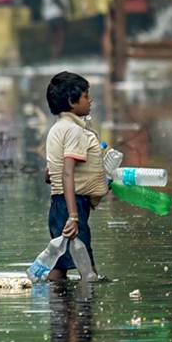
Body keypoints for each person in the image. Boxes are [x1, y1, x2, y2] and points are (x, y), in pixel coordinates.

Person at [44, 71, 108, 281]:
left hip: (60, 203)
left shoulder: (57, 129)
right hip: (70, 204)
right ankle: (82, 312)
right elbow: (67, 172)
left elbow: (50, 173)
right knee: (87, 269)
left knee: (61, 264)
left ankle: (60, 311)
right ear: (72, 101)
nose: (90, 101)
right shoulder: (73, 131)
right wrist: (73, 216)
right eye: (86, 96)